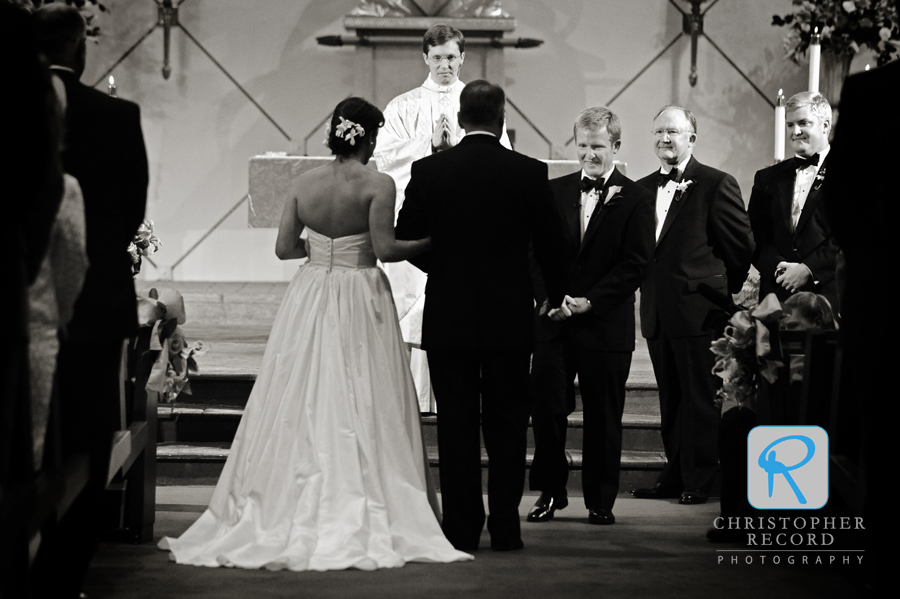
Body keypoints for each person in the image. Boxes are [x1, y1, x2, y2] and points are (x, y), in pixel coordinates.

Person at [160, 97, 471, 570]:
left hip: (310, 294)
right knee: (365, 392)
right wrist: (440, 239)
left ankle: (281, 498)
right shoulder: (379, 184)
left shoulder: (303, 183)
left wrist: (324, 250)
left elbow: (285, 248)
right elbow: (386, 249)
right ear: (367, 137)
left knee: (299, 391)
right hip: (362, 293)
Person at [396, 80, 568, 552]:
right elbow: (553, 246)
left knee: (455, 424)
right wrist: (551, 296)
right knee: (508, 422)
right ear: (501, 117)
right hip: (509, 317)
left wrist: (446, 264)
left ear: (463, 118)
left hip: (449, 315)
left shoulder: (429, 169)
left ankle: (461, 527)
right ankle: (506, 528)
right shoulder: (528, 172)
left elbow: (406, 235)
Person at [30, 5, 149, 596]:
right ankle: (63, 575)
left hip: (20, 300)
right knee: (87, 439)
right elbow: (131, 213)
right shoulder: (116, 115)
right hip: (96, 304)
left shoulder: (9, 110)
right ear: (82, 50)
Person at [526, 107, 654, 526]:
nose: (588, 155)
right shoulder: (553, 190)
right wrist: (550, 298)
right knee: (546, 411)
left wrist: (590, 302)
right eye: (582, 146)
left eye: (597, 147)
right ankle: (549, 491)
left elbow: (636, 263)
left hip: (605, 323)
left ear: (615, 147)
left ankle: (600, 499)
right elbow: (534, 253)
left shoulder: (635, 197)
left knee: (603, 415)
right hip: (554, 321)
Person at [374, 24, 511, 413]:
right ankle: (412, 397)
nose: (445, 65)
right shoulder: (403, 106)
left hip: (467, 228)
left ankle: (455, 398)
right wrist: (428, 145)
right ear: (425, 58)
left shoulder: (480, 106)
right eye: (437, 58)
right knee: (413, 305)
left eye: (451, 57)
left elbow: (500, 160)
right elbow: (386, 160)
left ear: (463, 57)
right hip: (421, 224)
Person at [630, 105, 754, 506]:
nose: (665, 139)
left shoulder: (717, 183)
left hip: (701, 312)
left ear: (692, 139)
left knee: (701, 399)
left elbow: (741, 248)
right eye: (659, 132)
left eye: (674, 132)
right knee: (672, 400)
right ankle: (674, 474)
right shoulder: (643, 188)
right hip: (657, 312)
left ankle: (699, 479)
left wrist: (718, 290)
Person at [826, 54, 898, 599]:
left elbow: (841, 195)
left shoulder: (870, 91)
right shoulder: (871, 91)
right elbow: (843, 196)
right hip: (884, 299)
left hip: (881, 294)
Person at [747, 92, 840, 315]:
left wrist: (809, 269)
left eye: (803, 123)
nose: (794, 131)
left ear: (825, 125)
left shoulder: (853, 173)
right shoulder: (766, 177)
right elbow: (754, 233)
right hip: (776, 295)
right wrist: (779, 268)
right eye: (790, 124)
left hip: (829, 293)